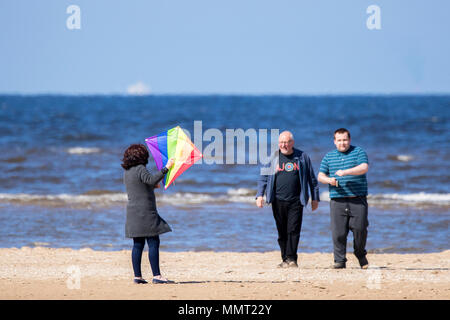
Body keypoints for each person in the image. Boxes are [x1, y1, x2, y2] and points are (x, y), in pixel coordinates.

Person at [256, 131, 320, 268]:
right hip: (277, 200)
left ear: (292, 142)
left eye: (287, 142)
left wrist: (315, 198)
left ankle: (292, 259)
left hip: (296, 200)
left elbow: (312, 179)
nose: (284, 145)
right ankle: (284, 258)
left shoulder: (302, 157)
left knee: (294, 229)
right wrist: (260, 195)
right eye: (281, 142)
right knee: (282, 231)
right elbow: (263, 178)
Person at [121, 143, 174, 284]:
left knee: (137, 244)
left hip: (132, 213)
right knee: (153, 242)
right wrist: (166, 168)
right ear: (141, 157)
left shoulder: (127, 172)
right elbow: (149, 180)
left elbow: (142, 185)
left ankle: (137, 277)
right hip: (146, 212)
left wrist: (152, 185)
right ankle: (157, 276)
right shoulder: (140, 169)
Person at [318, 128, 370, 269]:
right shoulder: (329, 157)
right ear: (334, 141)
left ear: (349, 140)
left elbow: (364, 167)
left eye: (345, 140)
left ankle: (360, 253)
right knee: (338, 232)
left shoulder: (358, 152)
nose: (342, 143)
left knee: (360, 229)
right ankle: (339, 260)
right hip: (337, 199)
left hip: (357, 198)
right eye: (339, 140)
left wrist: (345, 172)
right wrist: (328, 180)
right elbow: (320, 176)